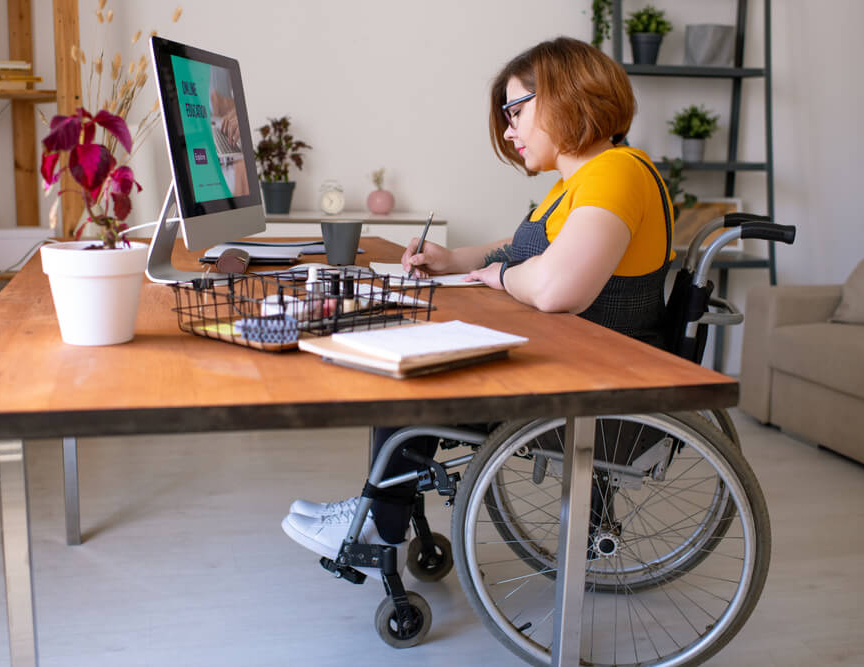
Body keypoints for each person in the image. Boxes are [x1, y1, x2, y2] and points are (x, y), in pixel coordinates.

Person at [281, 36, 673, 576]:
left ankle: (379, 524)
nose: (509, 131)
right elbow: (520, 251)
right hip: (566, 361)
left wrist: (503, 277)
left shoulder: (616, 173)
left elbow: (558, 287)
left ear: (564, 97)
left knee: (411, 366)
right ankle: (380, 513)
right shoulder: (578, 181)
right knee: (408, 344)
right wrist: (453, 260)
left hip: (586, 382)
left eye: (515, 112)